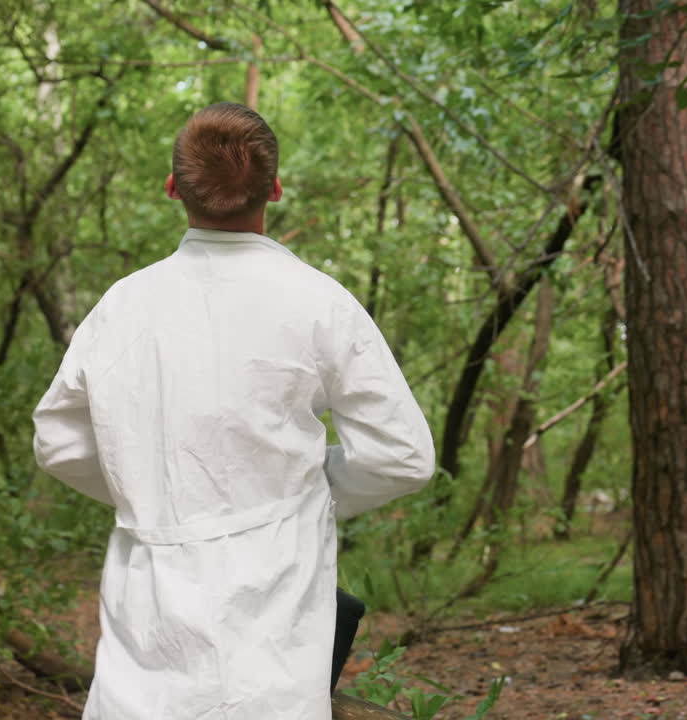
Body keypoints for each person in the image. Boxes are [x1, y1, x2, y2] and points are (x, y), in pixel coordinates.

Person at [32, 102, 435, 720]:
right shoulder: (319, 303)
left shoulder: (123, 307)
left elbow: (58, 443)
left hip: (150, 622)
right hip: (276, 616)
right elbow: (402, 457)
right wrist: (305, 490)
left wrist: (156, 486)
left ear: (173, 189)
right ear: (274, 188)